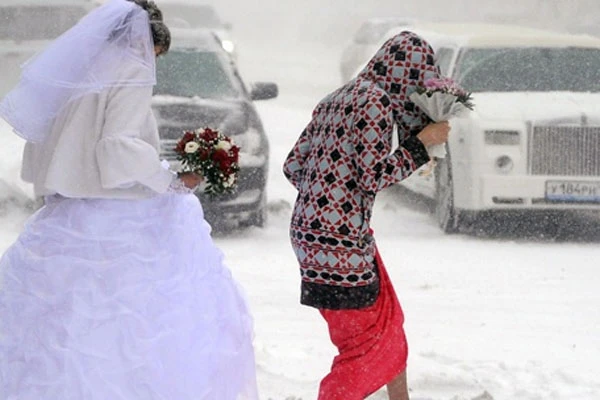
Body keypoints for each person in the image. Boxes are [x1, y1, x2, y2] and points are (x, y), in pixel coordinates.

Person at [0, 1, 258, 399]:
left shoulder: (80, 69)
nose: (153, 63)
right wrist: (168, 179)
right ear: (146, 42)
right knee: (140, 325)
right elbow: (117, 145)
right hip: (122, 214)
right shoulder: (132, 70)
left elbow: (59, 141)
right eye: (156, 54)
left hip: (70, 213)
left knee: (66, 321)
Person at [283, 31, 450, 400]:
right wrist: (422, 144)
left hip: (315, 236)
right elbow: (372, 176)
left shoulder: (337, 97)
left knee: (389, 324)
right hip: (341, 243)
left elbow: (293, 166)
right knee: (365, 346)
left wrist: (328, 200)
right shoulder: (376, 103)